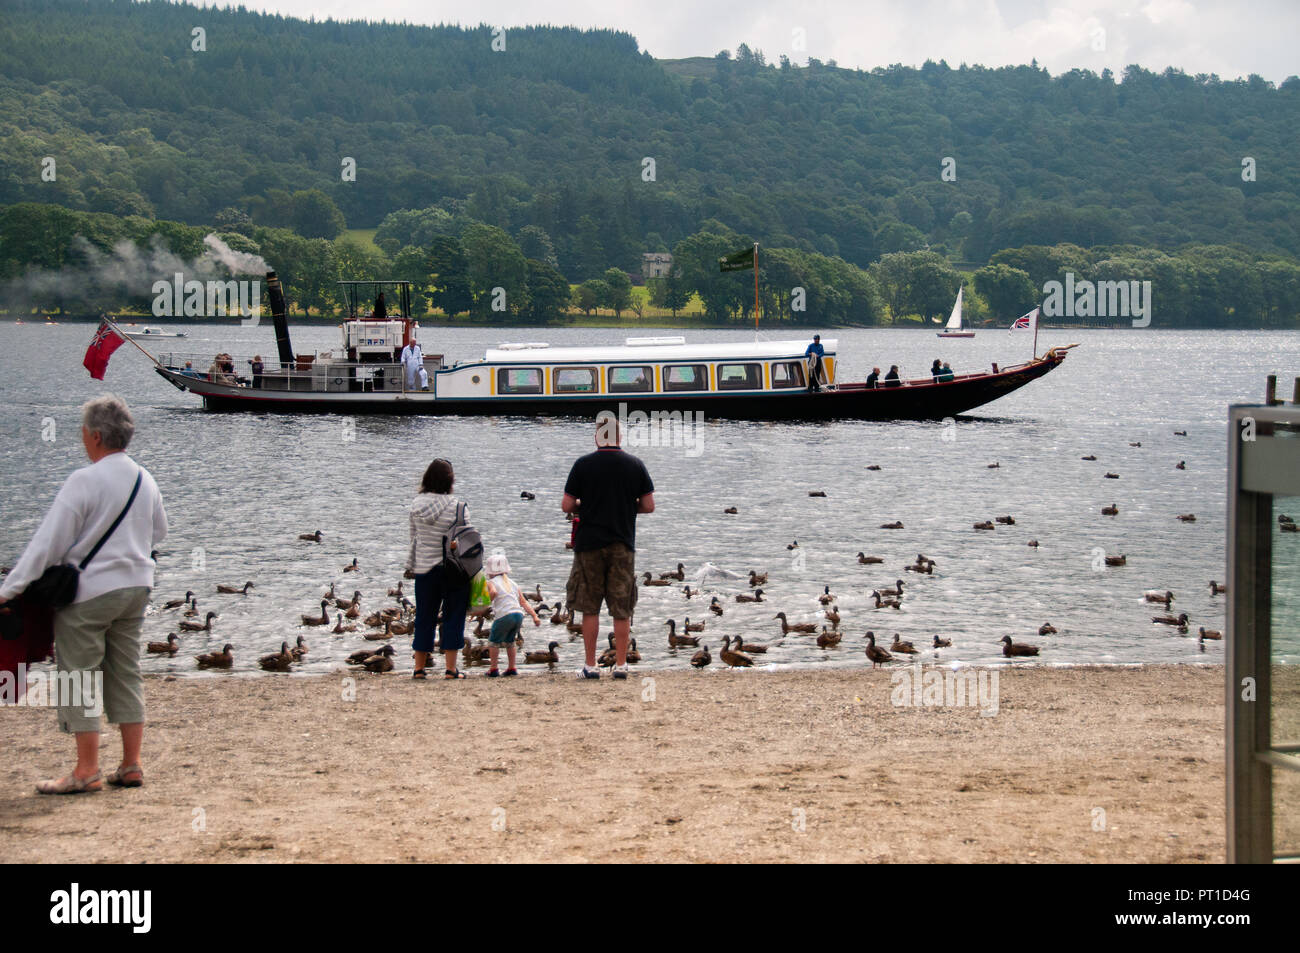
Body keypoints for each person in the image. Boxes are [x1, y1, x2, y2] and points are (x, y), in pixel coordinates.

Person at [0, 395, 168, 794]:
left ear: (95, 435)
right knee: (126, 672)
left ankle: (86, 770)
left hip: (90, 593)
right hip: (136, 588)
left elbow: (47, 545)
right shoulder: (146, 478)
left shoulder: (84, 480)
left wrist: (9, 590)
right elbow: (159, 532)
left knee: (78, 676)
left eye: (82, 432)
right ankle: (131, 764)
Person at [562, 414, 655, 680]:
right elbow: (648, 506)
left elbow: (567, 506)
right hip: (622, 544)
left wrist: (584, 506)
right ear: (620, 437)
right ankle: (622, 665)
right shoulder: (635, 465)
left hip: (589, 544)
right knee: (621, 607)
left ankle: (591, 665)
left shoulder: (583, 465)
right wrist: (627, 508)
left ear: (596, 437)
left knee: (589, 607)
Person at [406, 458, 471, 679]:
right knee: (453, 616)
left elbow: (413, 537)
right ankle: (451, 669)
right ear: (450, 481)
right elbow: (467, 541)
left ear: (427, 478)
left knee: (425, 616)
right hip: (453, 569)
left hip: (424, 568)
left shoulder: (416, 505)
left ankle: (419, 669)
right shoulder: (458, 507)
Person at [482, 550, 540, 678]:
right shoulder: (513, 583)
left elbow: (493, 593)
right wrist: (534, 616)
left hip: (504, 615)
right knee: (510, 641)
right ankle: (512, 667)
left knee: (493, 641)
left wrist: (486, 604)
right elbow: (523, 602)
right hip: (518, 615)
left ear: (490, 571)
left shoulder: (491, 582)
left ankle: (493, 668)